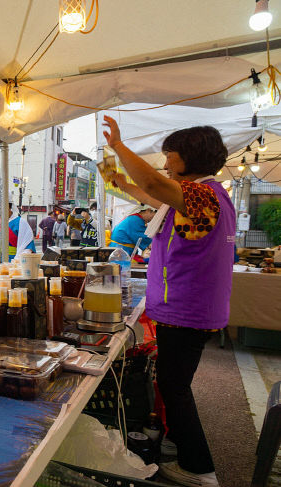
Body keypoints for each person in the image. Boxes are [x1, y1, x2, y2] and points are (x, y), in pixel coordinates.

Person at [103, 115, 233, 487]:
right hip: (191, 308)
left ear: (191, 157)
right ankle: (181, 444)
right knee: (175, 384)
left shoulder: (203, 197)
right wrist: (119, 181)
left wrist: (119, 147)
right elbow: (148, 192)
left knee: (175, 387)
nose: (164, 164)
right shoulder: (204, 196)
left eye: (170, 156)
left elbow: (152, 183)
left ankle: (200, 468)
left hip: (187, 310)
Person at [0, 189, 36, 266]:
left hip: (14, 266)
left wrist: (16, 263)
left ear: (5, 203)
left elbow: (27, 247)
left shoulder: (21, 223)